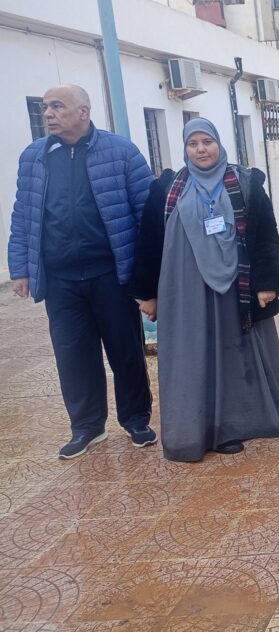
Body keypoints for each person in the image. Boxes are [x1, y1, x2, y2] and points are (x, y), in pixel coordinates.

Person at [131, 119, 279, 462]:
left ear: (219, 144)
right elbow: (149, 241)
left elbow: (265, 234)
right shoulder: (167, 189)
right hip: (184, 290)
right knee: (193, 355)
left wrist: (267, 283)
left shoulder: (246, 183)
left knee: (236, 352)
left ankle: (233, 425)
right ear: (184, 149)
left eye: (207, 141)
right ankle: (198, 428)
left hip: (237, 287)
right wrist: (147, 293)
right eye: (193, 144)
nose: (201, 149)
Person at [8, 85, 154, 460]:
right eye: (45, 107)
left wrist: (147, 277)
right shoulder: (34, 157)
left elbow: (147, 215)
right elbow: (23, 214)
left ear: (83, 112)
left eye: (57, 106)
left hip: (111, 275)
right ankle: (87, 427)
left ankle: (136, 419)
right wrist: (20, 268)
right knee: (73, 356)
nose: (48, 114)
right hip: (61, 280)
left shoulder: (121, 152)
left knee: (125, 351)